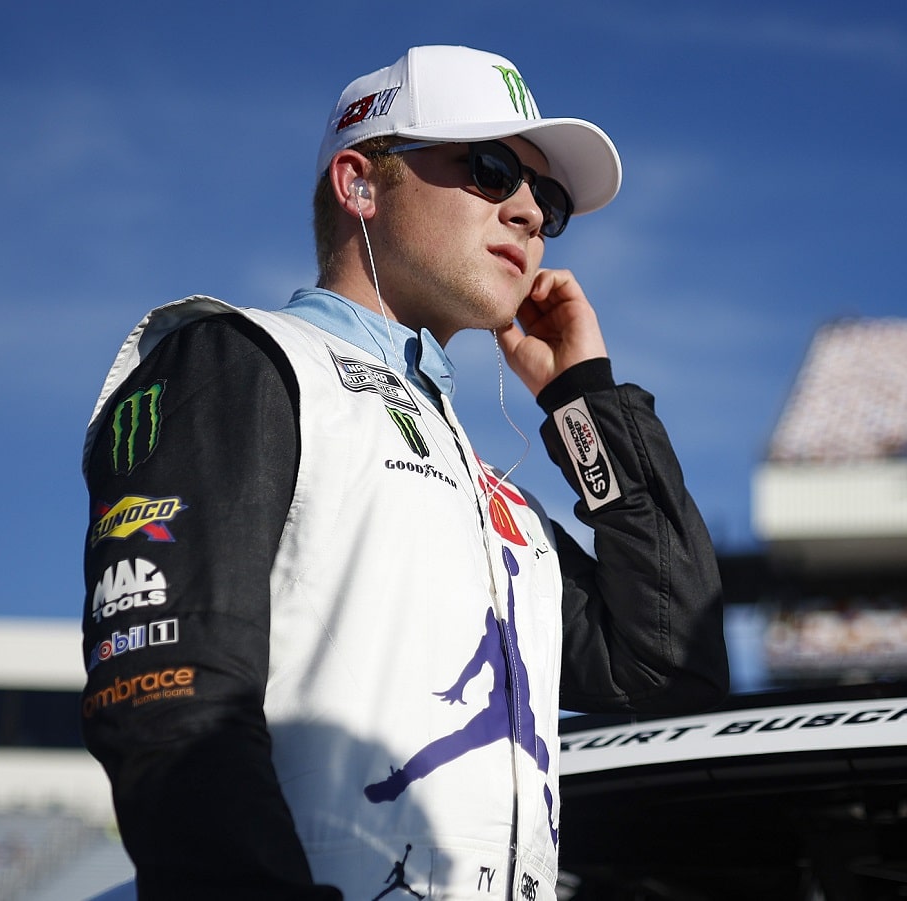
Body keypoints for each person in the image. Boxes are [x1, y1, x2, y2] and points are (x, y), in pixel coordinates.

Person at [78, 45, 729, 901]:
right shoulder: (248, 360)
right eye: (492, 169)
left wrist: (583, 399)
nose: (530, 211)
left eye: (552, 201)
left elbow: (669, 668)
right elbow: (170, 697)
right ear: (360, 184)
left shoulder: (489, 488)